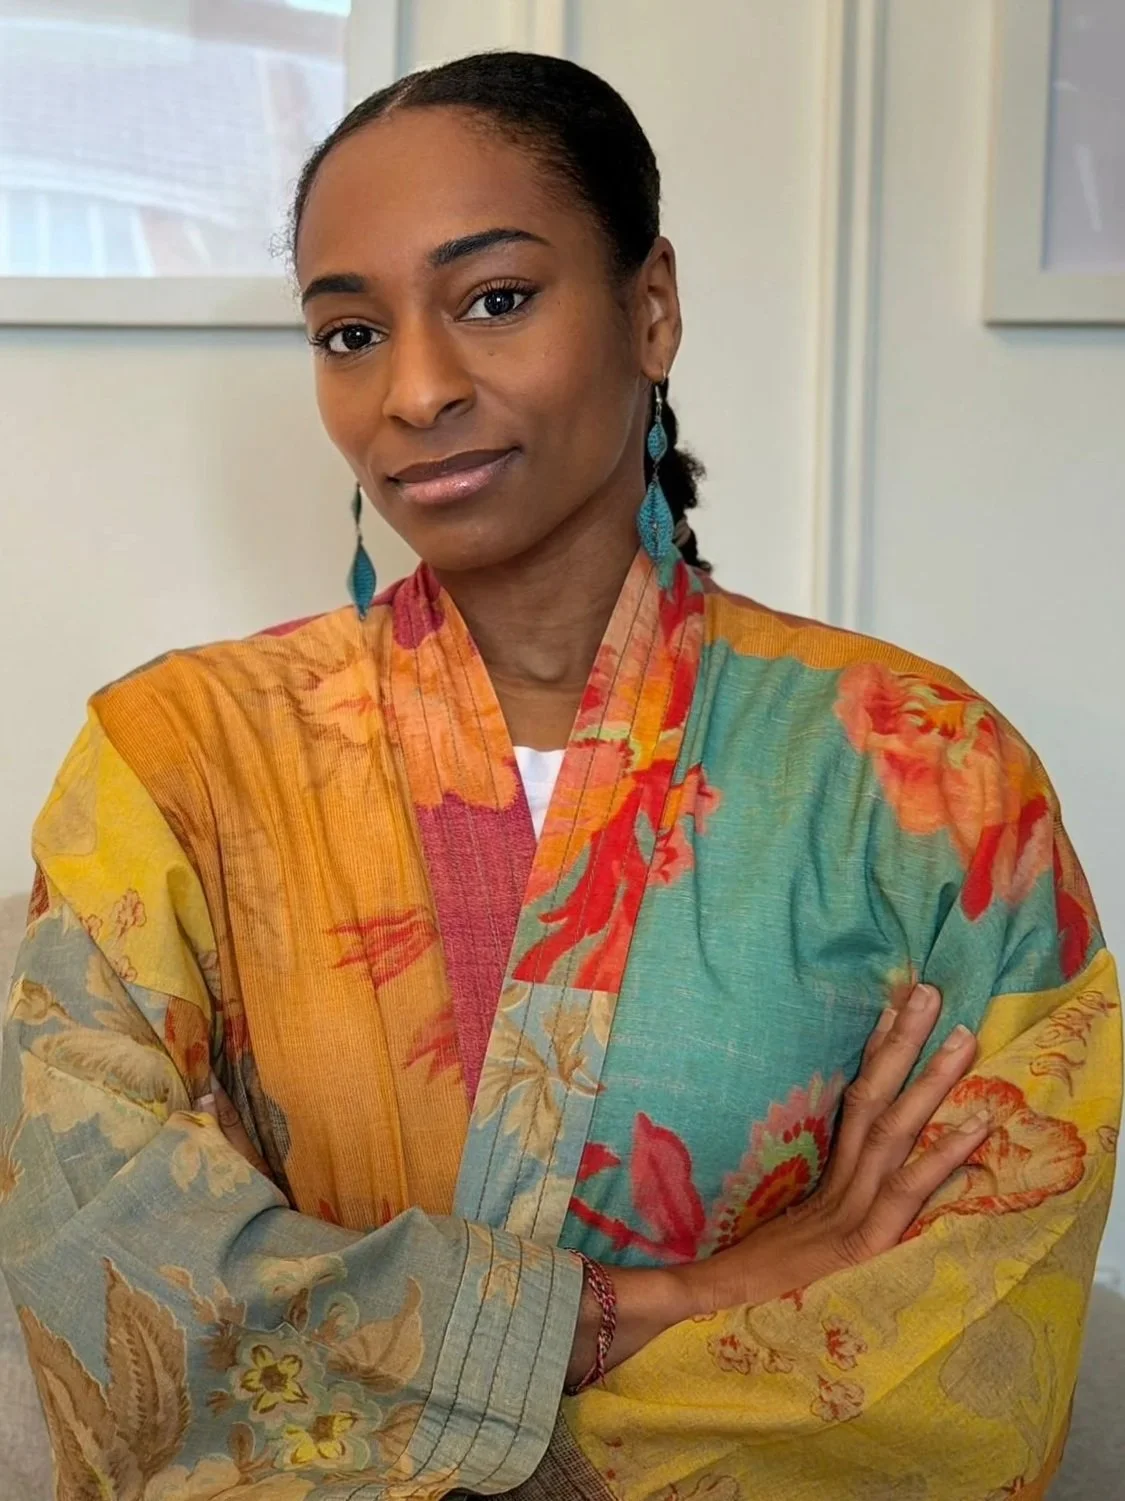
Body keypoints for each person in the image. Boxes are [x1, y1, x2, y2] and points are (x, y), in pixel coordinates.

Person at [0, 51, 1119, 1501]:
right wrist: (658, 1304)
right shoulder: (175, 766)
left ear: (650, 308)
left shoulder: (926, 780)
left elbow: (976, 1300)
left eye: (495, 300)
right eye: (350, 333)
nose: (414, 391)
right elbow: (97, 1238)